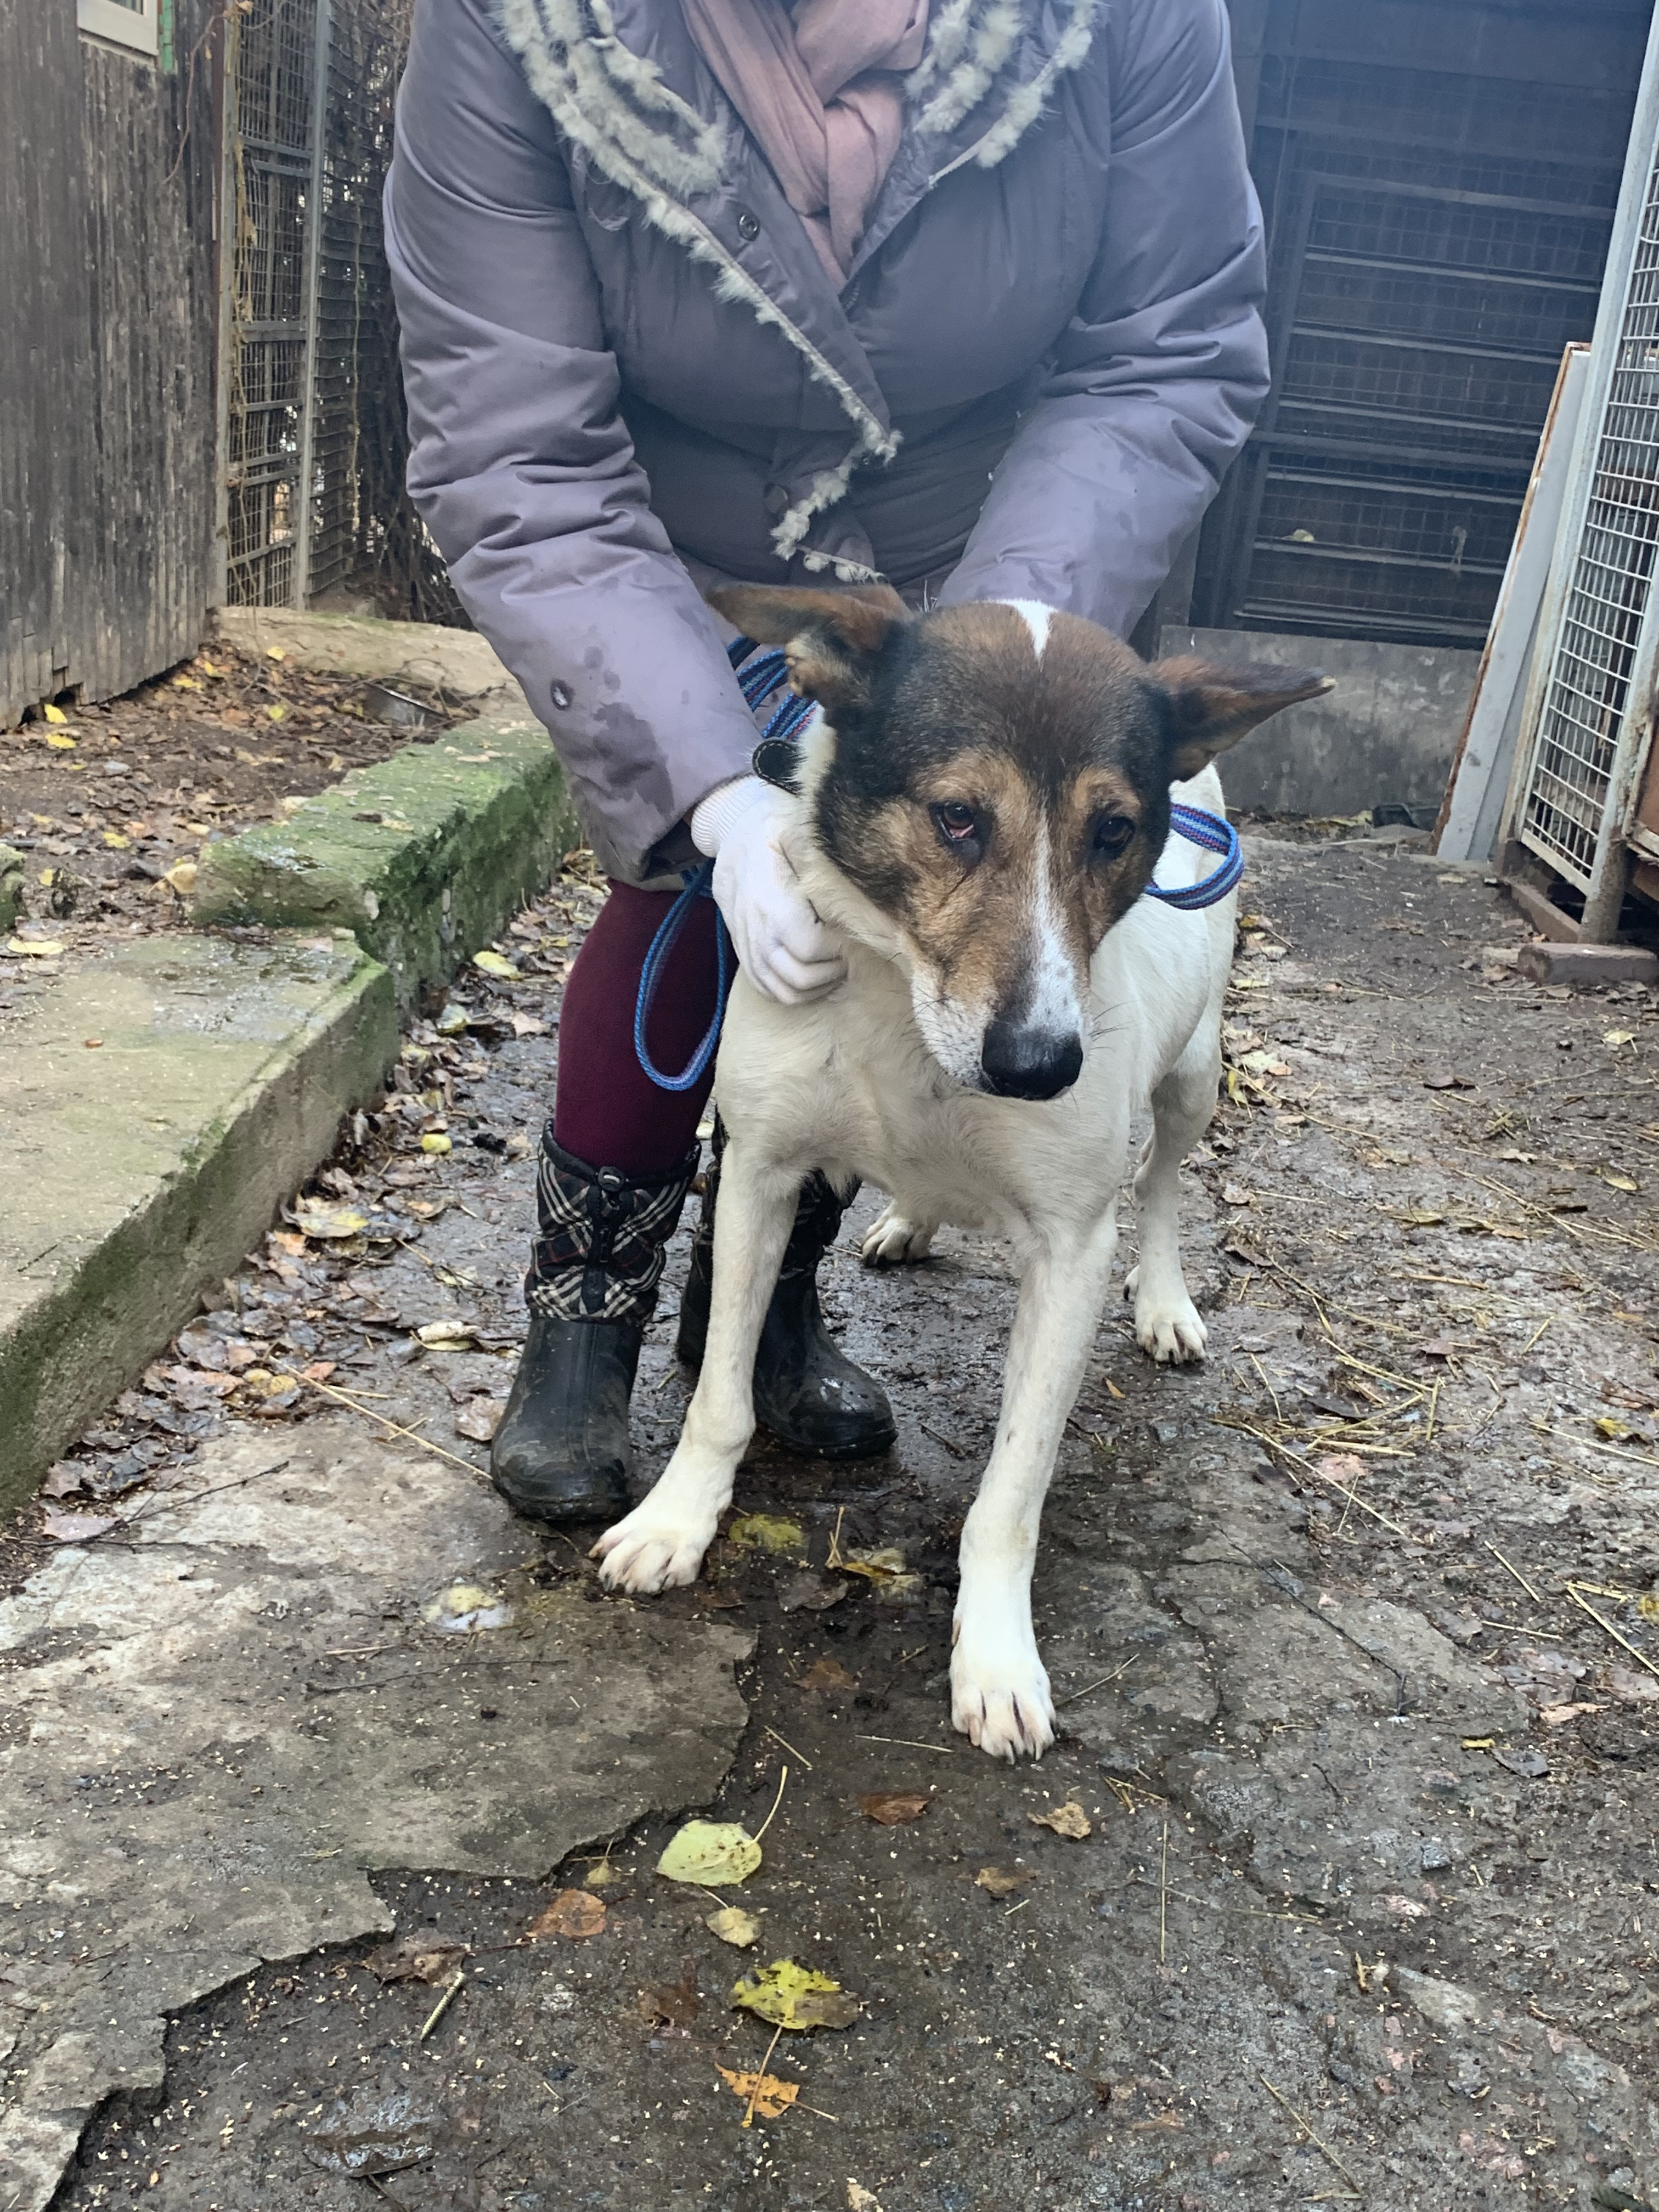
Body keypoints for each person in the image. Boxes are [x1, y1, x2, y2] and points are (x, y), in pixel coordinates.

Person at [386, 0, 1269, 1524]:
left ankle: (773, 1297)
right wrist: (707, 797)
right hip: (656, 549)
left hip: (981, 554)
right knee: (675, 900)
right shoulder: (520, 26)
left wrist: (983, 664)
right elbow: (512, 434)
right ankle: (583, 1323)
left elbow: (1167, 350)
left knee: (881, 966)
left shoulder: (1130, 22)